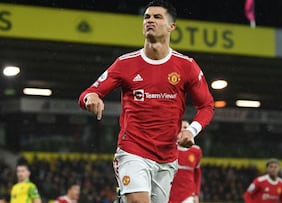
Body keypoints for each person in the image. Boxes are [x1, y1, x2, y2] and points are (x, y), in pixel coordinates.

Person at [78, 0, 214, 202]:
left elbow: (207, 106)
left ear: (171, 26)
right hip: (132, 150)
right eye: (147, 17)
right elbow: (89, 93)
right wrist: (91, 98)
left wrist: (191, 130)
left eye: (157, 17)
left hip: (167, 157)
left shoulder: (187, 66)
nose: (150, 20)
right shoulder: (126, 63)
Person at [169, 120, 202, 203]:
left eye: (185, 127)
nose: (183, 130)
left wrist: (196, 194)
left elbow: (197, 174)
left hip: (188, 194)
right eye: (181, 127)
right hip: (169, 193)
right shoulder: (170, 148)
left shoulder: (196, 151)